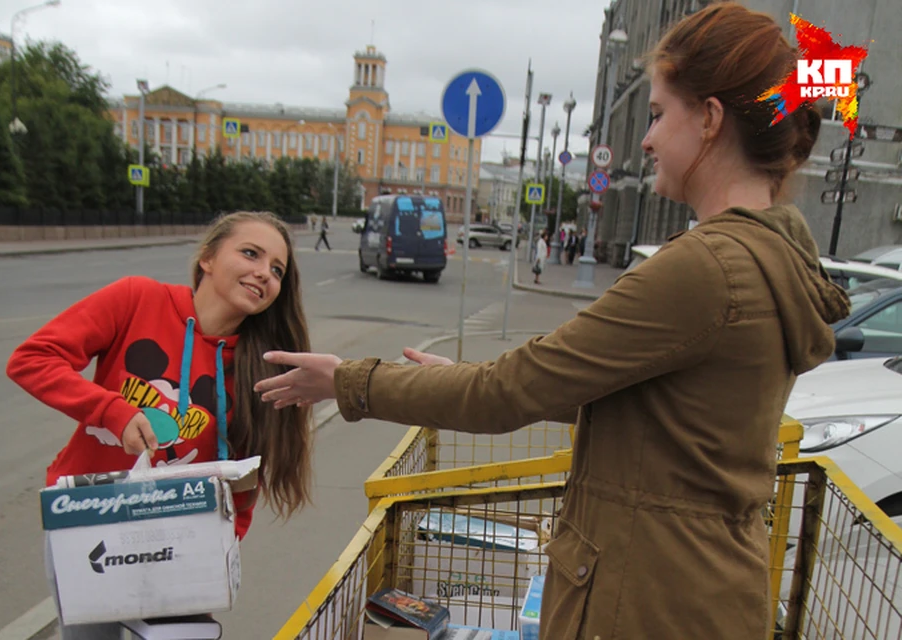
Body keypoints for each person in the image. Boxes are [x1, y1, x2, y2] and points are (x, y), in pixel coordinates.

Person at [254, 4, 852, 639]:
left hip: (648, 600)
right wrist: (475, 375)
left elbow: (510, 391)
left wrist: (349, 380)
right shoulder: (771, 255)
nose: (646, 139)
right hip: (699, 588)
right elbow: (661, 412)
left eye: (657, 113)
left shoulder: (706, 268)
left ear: (708, 120)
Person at [7, 211, 313, 639]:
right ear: (207, 257)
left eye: (277, 270)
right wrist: (112, 410)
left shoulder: (260, 363)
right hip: (88, 521)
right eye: (250, 253)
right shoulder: (137, 300)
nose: (264, 273)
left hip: (177, 543)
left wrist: (223, 544)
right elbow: (32, 360)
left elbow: (246, 476)